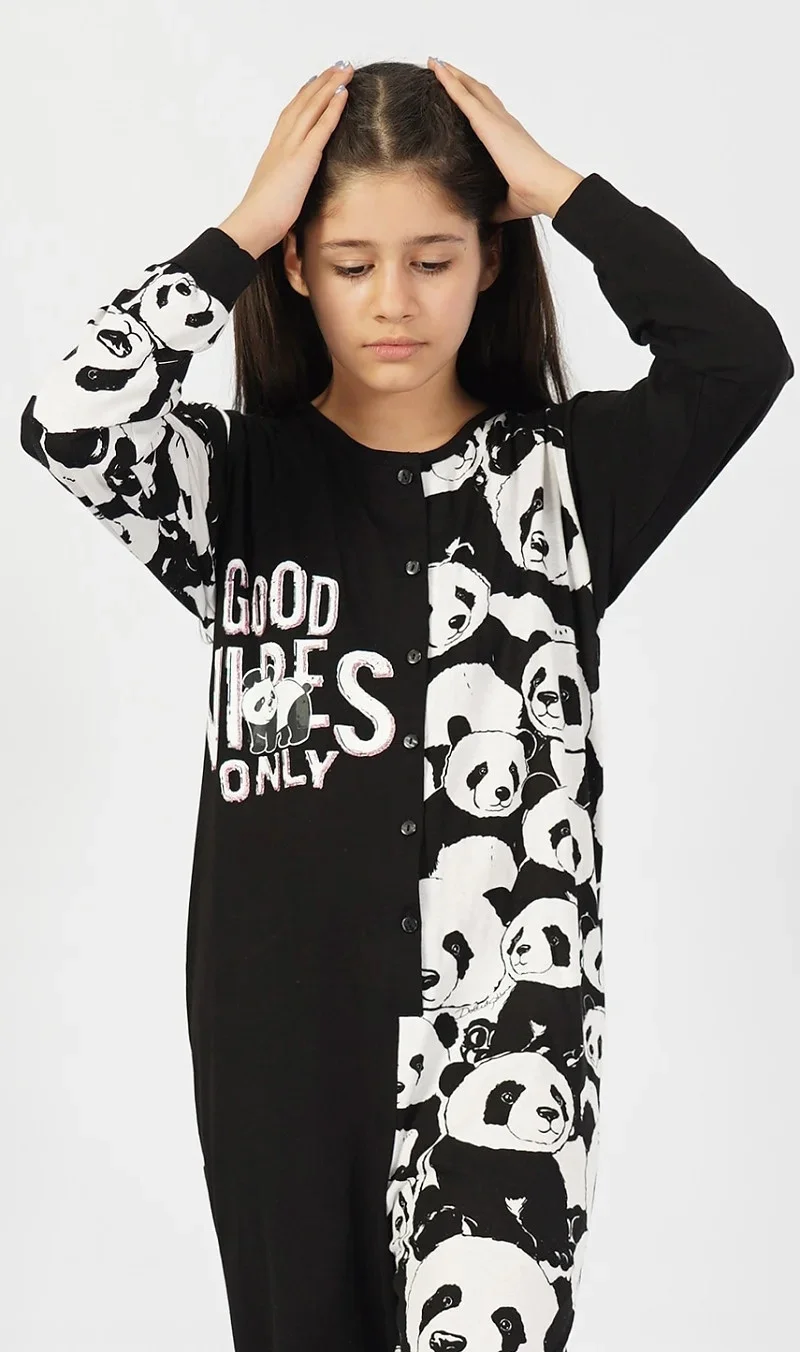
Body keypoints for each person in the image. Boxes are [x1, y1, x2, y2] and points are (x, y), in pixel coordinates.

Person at [19, 55, 792, 1352]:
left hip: (510, 1026)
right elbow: (70, 427)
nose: (394, 300)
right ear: (299, 268)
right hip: (277, 1028)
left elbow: (739, 359)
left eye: (433, 258)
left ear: (488, 260)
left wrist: (563, 192)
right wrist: (237, 233)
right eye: (351, 260)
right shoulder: (236, 486)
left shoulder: (565, 481)